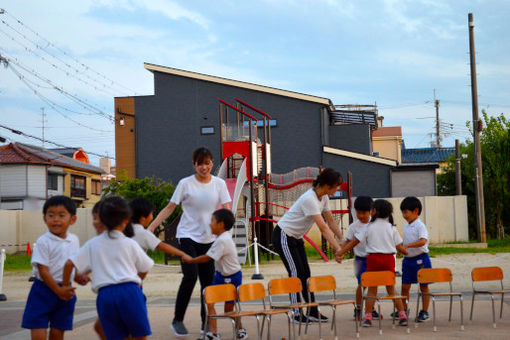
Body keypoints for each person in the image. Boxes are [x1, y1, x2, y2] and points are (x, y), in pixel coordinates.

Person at [148, 147, 231, 337]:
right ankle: (178, 320)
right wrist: (152, 227)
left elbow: (227, 209)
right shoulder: (185, 183)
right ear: (194, 165)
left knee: (208, 284)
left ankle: (206, 323)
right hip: (187, 236)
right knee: (191, 276)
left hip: (209, 238)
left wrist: (225, 232)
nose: (204, 167)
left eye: (207, 163)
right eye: (200, 163)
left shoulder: (219, 184)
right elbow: (170, 207)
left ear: (212, 164)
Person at [62, 196, 154, 340]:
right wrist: (138, 280)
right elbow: (146, 266)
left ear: (102, 220)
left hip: (105, 295)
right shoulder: (129, 243)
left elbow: (69, 264)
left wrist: (65, 286)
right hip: (130, 291)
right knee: (139, 335)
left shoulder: (93, 243)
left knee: (115, 335)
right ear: (126, 220)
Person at [272, 168, 344, 324]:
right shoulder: (309, 199)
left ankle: (312, 310)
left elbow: (330, 221)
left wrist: (342, 239)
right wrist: (338, 249)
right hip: (283, 235)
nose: (338, 189)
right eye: (336, 186)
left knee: (306, 273)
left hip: (296, 238)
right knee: (296, 272)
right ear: (327, 185)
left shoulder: (323, 197)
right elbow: (323, 227)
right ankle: (296, 312)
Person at [337, 199, 409, 327]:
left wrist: (341, 252)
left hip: (373, 260)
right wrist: (406, 252)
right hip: (388, 260)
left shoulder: (368, 227)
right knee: (392, 289)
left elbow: (354, 242)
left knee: (371, 291)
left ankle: (368, 318)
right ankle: (402, 315)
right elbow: (400, 248)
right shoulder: (392, 228)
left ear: (374, 211)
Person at [21, 195, 84, 340]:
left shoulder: (74, 240)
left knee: (58, 329)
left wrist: (78, 276)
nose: (55, 219)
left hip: (65, 289)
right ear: (44, 219)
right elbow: (43, 270)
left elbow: (73, 263)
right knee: (38, 326)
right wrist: (57, 290)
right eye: (51, 215)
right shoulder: (43, 242)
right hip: (43, 290)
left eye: (61, 215)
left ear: (72, 220)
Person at [183, 209, 246, 340]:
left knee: (229, 309)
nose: (210, 224)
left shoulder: (222, 240)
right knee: (209, 300)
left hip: (233, 277)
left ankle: (240, 330)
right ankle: (213, 333)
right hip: (220, 276)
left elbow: (207, 258)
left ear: (221, 224)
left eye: (212, 221)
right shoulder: (221, 239)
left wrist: (191, 260)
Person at [338, 196, 379, 321]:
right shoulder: (353, 226)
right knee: (362, 285)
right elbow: (348, 241)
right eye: (358, 212)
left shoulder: (375, 224)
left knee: (373, 285)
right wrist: (340, 251)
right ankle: (359, 308)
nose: (361, 216)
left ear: (372, 211)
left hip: (373, 259)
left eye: (364, 213)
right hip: (360, 260)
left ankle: (371, 309)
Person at [400, 196, 432, 322]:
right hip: (408, 260)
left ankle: (424, 311)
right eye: (402, 212)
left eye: (406, 212)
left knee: (423, 286)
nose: (404, 215)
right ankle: (404, 310)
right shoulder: (406, 226)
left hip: (421, 259)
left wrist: (408, 245)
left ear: (416, 211)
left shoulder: (420, 225)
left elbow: (423, 241)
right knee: (405, 286)